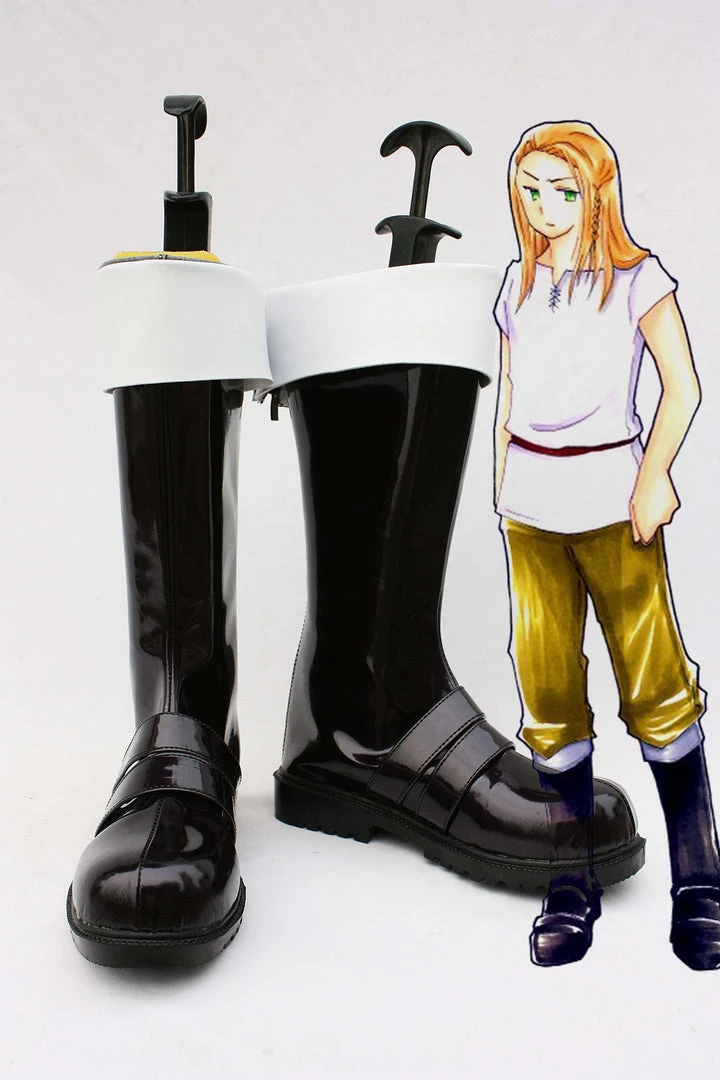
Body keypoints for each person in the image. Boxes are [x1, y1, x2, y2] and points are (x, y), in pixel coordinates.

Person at [493, 119, 720, 969]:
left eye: (563, 189)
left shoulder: (636, 278)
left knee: (657, 685)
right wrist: (501, 484)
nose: (545, 206)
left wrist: (654, 476)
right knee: (547, 690)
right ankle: (569, 880)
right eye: (530, 189)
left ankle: (700, 882)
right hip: (531, 511)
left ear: (597, 192)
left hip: (614, 505)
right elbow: (509, 388)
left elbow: (683, 386)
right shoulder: (517, 283)